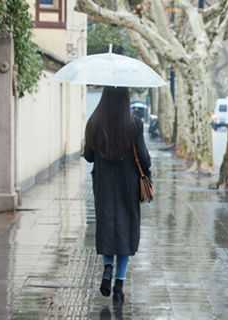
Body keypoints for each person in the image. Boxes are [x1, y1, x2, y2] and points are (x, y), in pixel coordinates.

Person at [83, 86, 151, 304]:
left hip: (103, 184)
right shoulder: (134, 125)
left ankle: (107, 268)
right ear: (125, 98)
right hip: (128, 185)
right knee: (125, 228)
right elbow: (144, 158)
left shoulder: (94, 123)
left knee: (107, 224)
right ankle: (119, 284)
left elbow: (89, 156)